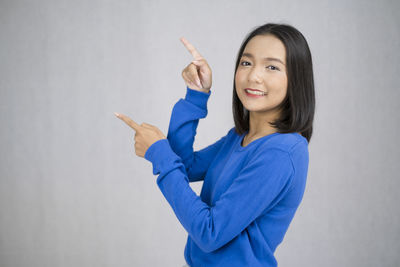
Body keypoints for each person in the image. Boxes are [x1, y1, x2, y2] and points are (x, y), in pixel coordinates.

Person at [115, 22, 315, 267]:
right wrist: (196, 95)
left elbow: (211, 233)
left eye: (272, 67)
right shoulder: (240, 138)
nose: (254, 76)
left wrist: (159, 152)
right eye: (246, 62)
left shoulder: (281, 153)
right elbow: (185, 167)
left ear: (296, 79)